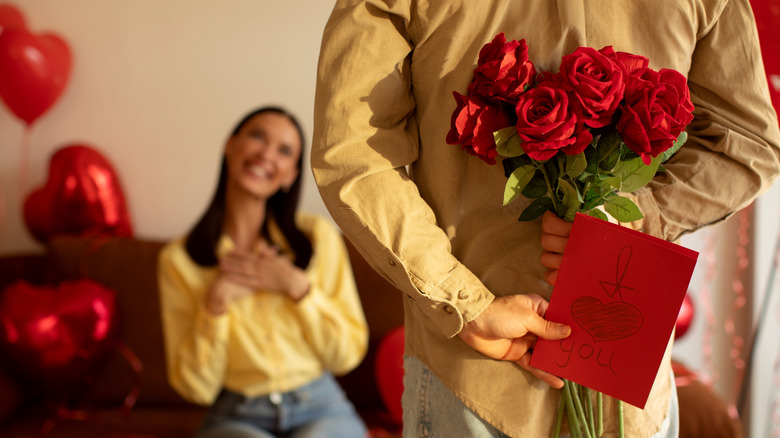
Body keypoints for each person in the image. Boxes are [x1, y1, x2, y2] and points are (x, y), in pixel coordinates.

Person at [311, 1, 780, 437]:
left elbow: (353, 154)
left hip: (487, 376)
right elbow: (747, 143)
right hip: (504, 381)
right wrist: (641, 215)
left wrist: (465, 303)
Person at [158, 107, 369, 438]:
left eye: (284, 150)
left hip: (321, 406)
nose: (266, 154)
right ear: (230, 146)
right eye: (257, 136)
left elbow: (345, 355)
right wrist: (215, 305)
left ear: (289, 175)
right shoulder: (179, 260)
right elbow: (196, 388)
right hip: (236, 415)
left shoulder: (318, 237)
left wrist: (297, 287)